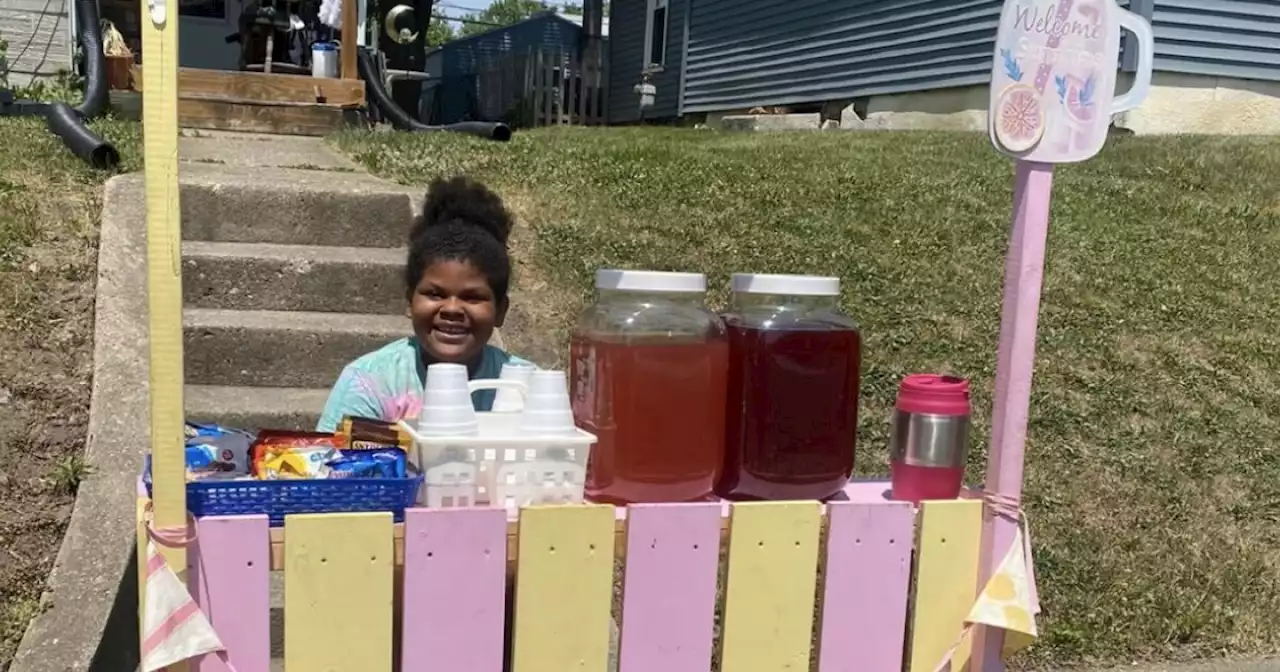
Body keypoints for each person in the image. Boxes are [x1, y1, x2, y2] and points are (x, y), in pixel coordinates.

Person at [316, 175, 532, 433]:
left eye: (472, 297)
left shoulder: (527, 386)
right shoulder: (370, 383)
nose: (452, 309)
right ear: (410, 301)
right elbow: (332, 464)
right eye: (435, 294)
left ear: (501, 310)